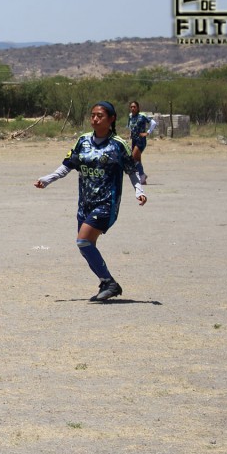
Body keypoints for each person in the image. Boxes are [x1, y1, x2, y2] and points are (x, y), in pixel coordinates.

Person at [34, 100, 147, 302]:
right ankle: (107, 283)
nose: (95, 119)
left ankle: (109, 282)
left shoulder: (118, 144)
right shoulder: (83, 140)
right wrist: (47, 179)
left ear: (111, 119)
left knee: (83, 240)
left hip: (106, 203)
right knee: (86, 246)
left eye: (100, 116)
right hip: (85, 203)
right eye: (93, 115)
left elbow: (132, 170)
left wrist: (139, 190)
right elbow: (67, 165)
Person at [127, 100, 152, 184]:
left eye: (134, 107)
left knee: (133, 157)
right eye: (131, 107)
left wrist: (148, 132)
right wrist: (130, 134)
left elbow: (153, 123)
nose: (132, 108)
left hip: (141, 140)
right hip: (134, 140)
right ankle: (142, 178)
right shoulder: (130, 116)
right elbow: (130, 126)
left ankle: (142, 175)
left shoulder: (142, 116)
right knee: (137, 159)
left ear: (138, 108)